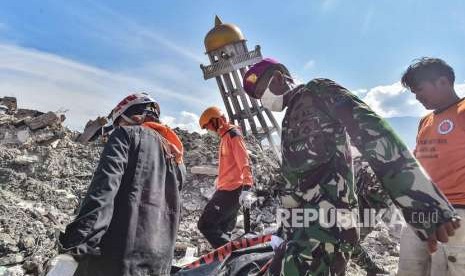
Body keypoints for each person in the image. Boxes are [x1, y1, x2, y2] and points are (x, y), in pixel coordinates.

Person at [242, 58, 460, 275]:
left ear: (279, 78)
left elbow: (375, 137)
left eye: (262, 92)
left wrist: (424, 203)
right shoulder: (290, 119)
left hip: (327, 233)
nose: (263, 101)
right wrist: (284, 231)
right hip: (302, 232)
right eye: (258, 98)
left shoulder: (318, 93)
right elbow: (299, 184)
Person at [59, 93, 186, 276]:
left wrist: (76, 246)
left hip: (117, 260)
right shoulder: (176, 159)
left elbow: (104, 192)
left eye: (118, 122)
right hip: (160, 264)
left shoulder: (125, 135)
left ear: (128, 116)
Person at [398, 57, 465, 276]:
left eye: (420, 90)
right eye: (414, 93)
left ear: (443, 82)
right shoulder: (425, 121)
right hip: (422, 211)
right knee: (411, 268)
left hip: (458, 213)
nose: (417, 97)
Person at [197, 106, 256, 249]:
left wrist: (247, 187)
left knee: (205, 224)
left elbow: (244, 161)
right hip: (227, 188)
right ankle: (226, 264)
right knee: (223, 230)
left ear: (216, 121)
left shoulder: (233, 134)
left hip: (231, 190)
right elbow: (230, 163)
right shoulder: (224, 137)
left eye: (208, 126)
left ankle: (234, 254)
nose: (208, 130)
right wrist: (220, 179)